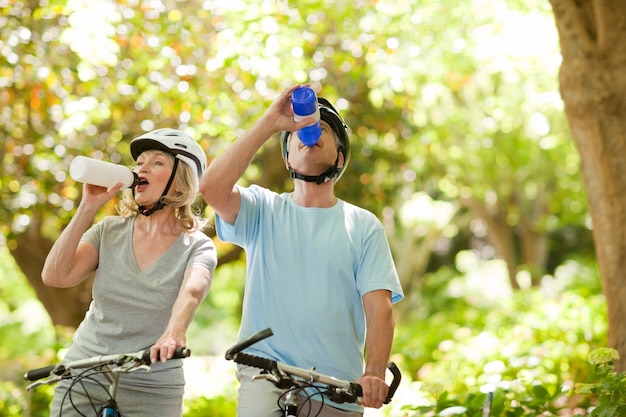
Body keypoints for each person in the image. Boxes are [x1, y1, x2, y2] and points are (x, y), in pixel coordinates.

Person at [200, 85, 404, 416]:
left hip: (337, 387)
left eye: (323, 128)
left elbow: (379, 307)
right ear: (287, 157)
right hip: (266, 375)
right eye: (297, 131)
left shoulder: (363, 225)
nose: (309, 133)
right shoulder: (262, 209)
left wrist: (374, 373)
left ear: (339, 157)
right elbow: (210, 187)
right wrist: (270, 121)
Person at [42, 128, 217, 417]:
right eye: (139, 163)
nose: (141, 168)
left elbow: (193, 290)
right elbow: (56, 277)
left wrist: (175, 331)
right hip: (85, 372)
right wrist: (88, 206)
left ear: (180, 184)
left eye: (157, 162)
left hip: (154, 385)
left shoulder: (197, 246)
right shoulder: (108, 231)